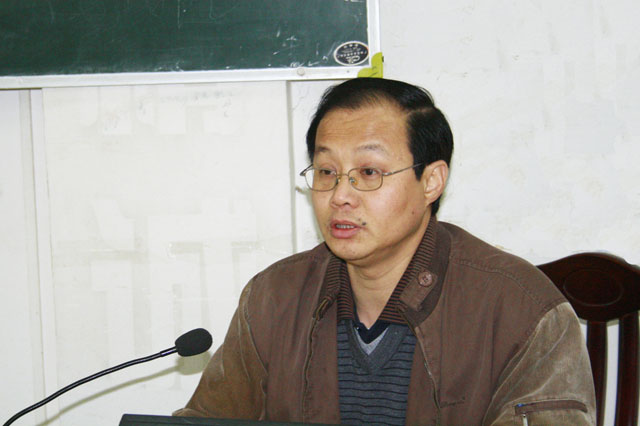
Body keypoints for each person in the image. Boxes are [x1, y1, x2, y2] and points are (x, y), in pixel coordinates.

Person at [174, 78, 596, 425]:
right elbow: (207, 419)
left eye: (369, 172)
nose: (340, 195)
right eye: (326, 171)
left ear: (431, 182)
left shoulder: (522, 309)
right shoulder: (274, 297)